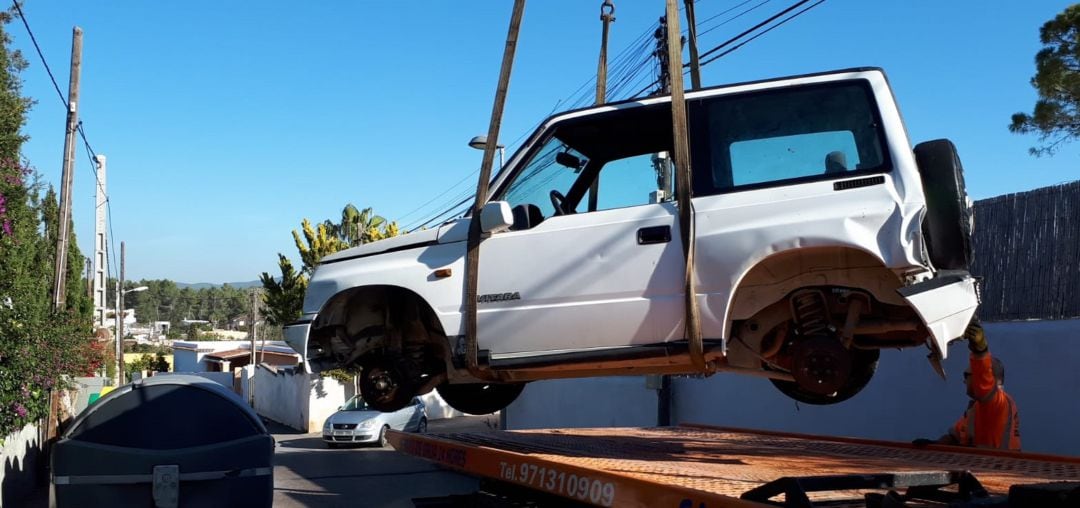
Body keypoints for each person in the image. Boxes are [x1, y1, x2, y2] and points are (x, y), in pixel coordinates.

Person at [914, 320, 1021, 450]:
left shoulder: (999, 403)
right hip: (982, 466)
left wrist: (980, 350)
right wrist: (935, 444)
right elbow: (956, 436)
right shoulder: (978, 407)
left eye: (967, 375)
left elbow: (983, 381)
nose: (964, 381)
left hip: (998, 467)